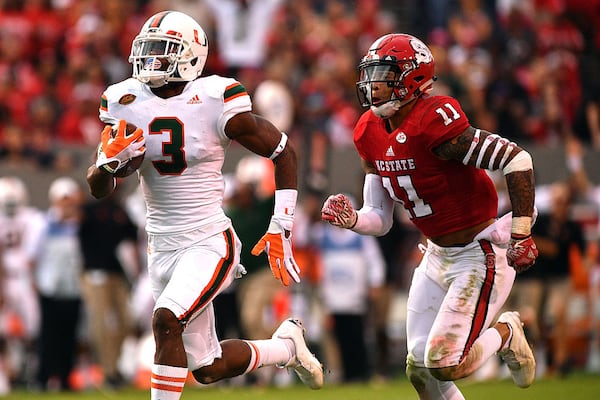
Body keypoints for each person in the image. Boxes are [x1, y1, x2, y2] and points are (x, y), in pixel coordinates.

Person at [85, 10, 322, 399]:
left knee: (165, 320)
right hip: (160, 245)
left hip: (208, 240)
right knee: (208, 367)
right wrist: (106, 165)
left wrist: (282, 223)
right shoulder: (123, 100)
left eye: (163, 51)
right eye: (148, 49)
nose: (151, 60)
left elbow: (284, 152)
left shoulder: (214, 98)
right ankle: (287, 348)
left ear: (191, 56)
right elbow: (99, 187)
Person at [320, 33, 538, 399]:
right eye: (370, 75)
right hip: (436, 254)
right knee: (418, 368)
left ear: (411, 79)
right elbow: (380, 217)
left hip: (478, 253)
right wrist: (353, 219)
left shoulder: (434, 120)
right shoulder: (368, 130)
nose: (373, 86)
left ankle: (507, 333)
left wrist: (521, 233)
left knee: (444, 363)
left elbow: (518, 160)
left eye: (384, 75)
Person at [33, 177, 84, 391]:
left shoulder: (81, 225)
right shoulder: (44, 224)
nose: (67, 204)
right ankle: (43, 377)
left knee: (70, 336)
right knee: (47, 335)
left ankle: (65, 378)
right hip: (50, 286)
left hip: (73, 287)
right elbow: (33, 255)